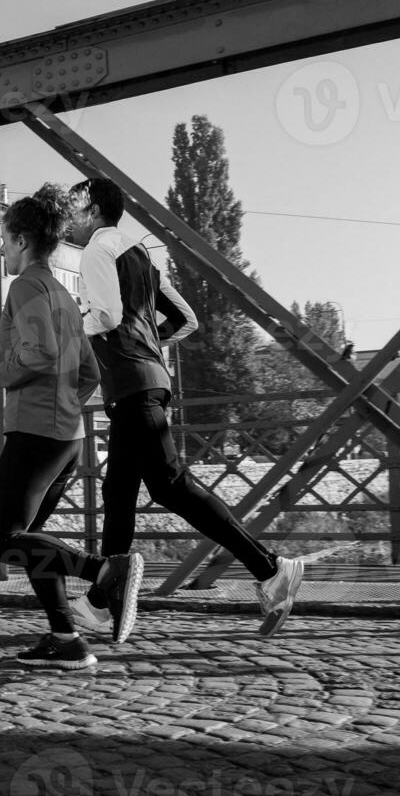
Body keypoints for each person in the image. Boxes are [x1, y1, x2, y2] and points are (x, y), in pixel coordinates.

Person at [69, 176, 305, 638]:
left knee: (171, 487)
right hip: (147, 384)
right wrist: (149, 348)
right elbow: (185, 319)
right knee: (119, 494)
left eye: (75, 207)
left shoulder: (96, 251)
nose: (69, 220)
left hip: (132, 385)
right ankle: (102, 601)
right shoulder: (140, 254)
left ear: (94, 210)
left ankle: (270, 568)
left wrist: (71, 329)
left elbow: (108, 317)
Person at [0, 188, 143, 670]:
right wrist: (66, 404)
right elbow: (89, 372)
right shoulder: (63, 294)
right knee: (32, 540)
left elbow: (37, 353)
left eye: (3, 240)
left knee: (3, 540)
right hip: (67, 437)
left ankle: (106, 570)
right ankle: (65, 639)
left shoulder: (24, 288)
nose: (1, 249)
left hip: (35, 432)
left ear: (21, 240)